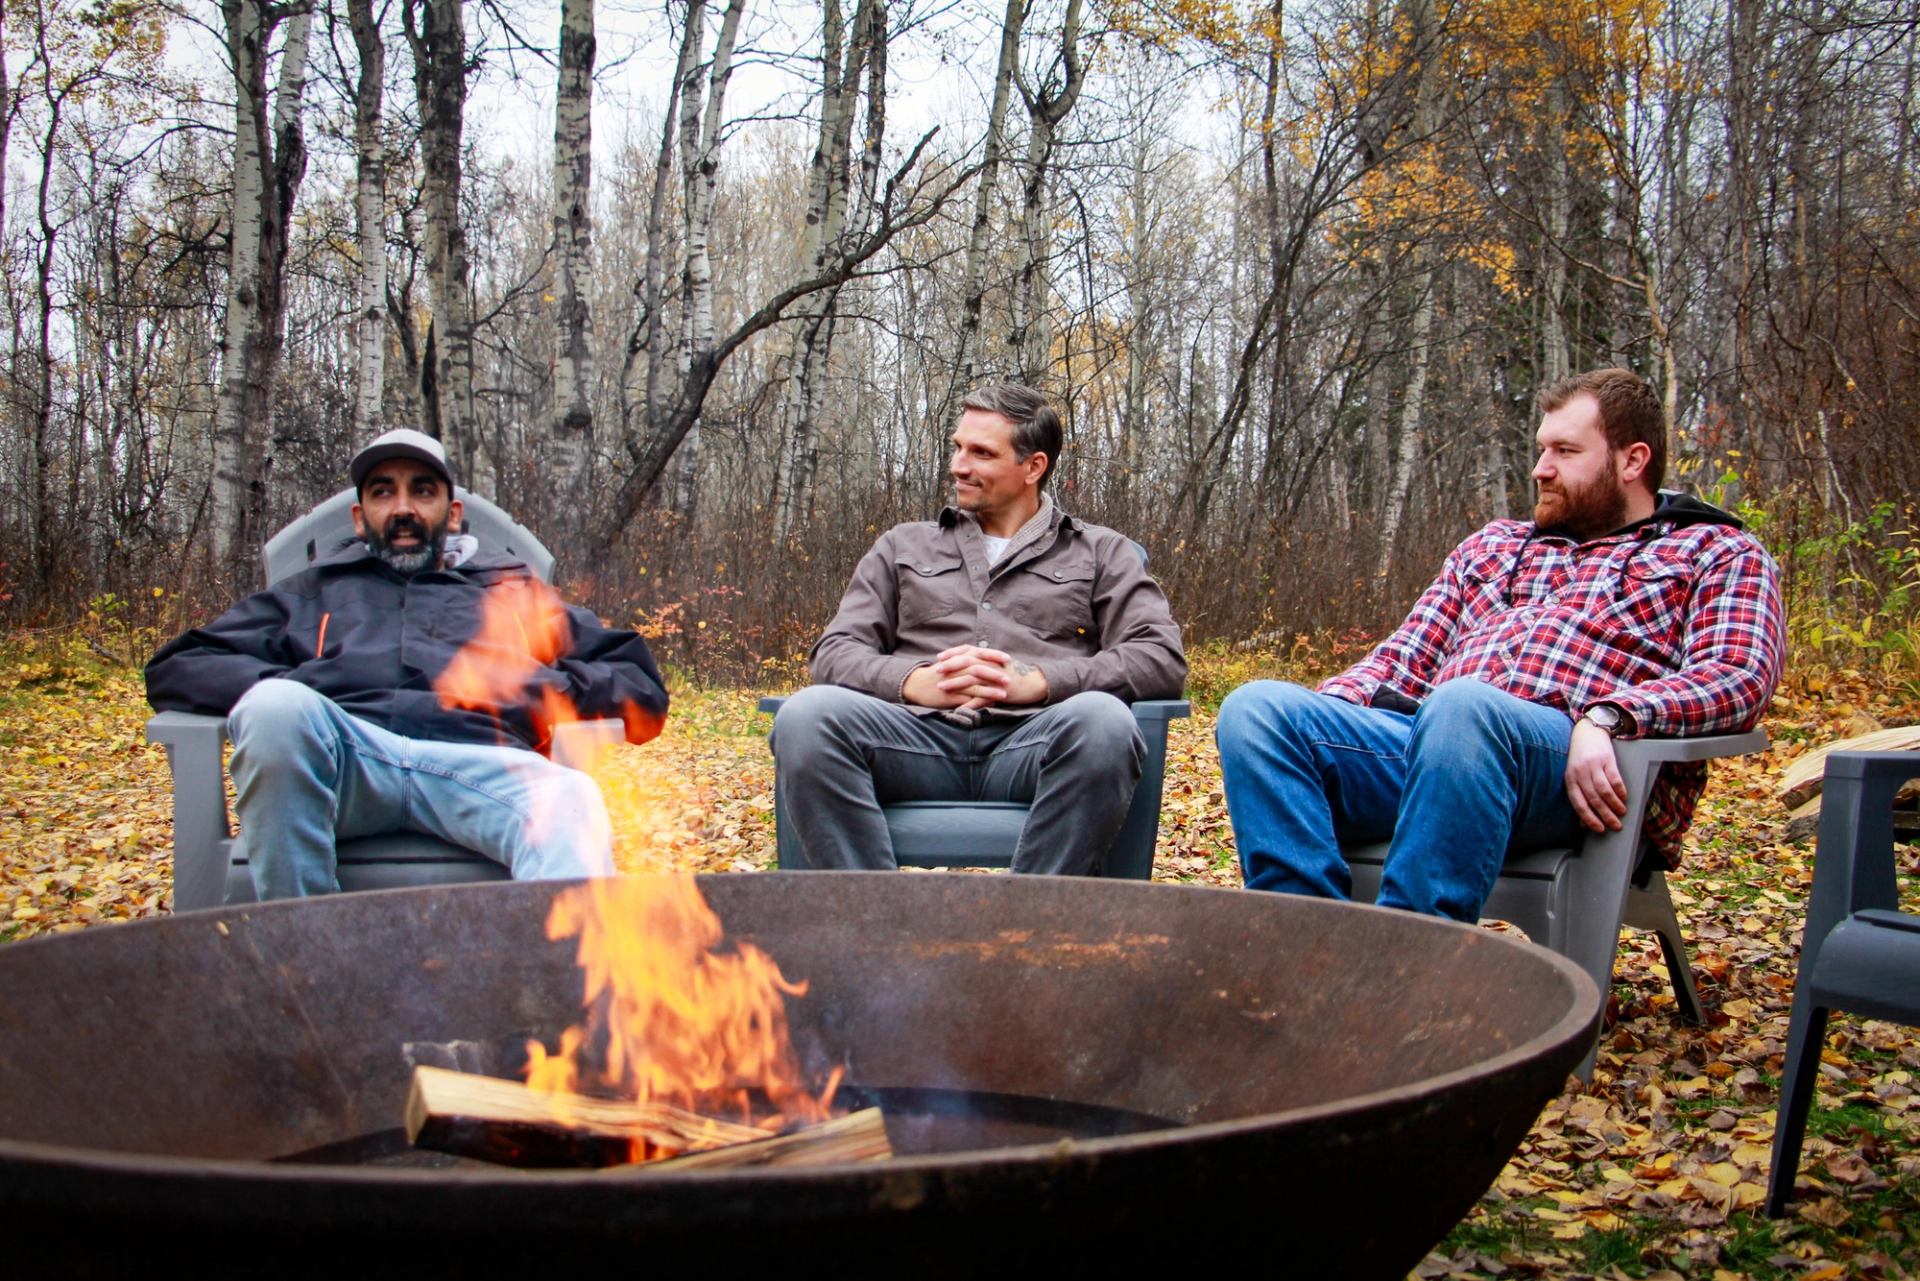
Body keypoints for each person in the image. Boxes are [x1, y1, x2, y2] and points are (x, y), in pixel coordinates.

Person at [1215, 367, 1785, 922]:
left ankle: (1404, 971)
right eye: (1541, 450)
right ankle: (1301, 951)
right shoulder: (1494, 546)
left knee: (1464, 705)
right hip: (1436, 745)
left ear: (1632, 460)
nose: (1541, 469)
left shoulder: (1715, 551)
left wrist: (1611, 717)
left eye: (1565, 452)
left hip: (1576, 773)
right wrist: (1327, 716)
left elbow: (1740, 674)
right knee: (1258, 709)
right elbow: (1404, 657)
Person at [146, 428, 668, 899]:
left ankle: (549, 999)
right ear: (359, 517)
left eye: (422, 490)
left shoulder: (512, 595)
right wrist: (304, 683)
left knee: (573, 801)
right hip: (347, 767)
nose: (403, 508)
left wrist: (535, 688)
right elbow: (181, 665)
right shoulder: (310, 593)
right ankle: (305, 966)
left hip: (483, 770)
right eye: (382, 492)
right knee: (275, 709)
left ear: (453, 512)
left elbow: (637, 679)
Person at [770, 383, 1186, 874]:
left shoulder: (1101, 552)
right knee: (807, 714)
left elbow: (1160, 656)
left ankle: (1026, 937)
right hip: (910, 742)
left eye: (981, 453)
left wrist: (1040, 683)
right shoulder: (902, 546)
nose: (958, 465)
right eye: (958, 447)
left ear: (1034, 467)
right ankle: (874, 932)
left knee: (1103, 722)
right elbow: (835, 651)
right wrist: (913, 683)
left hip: (1033, 744)